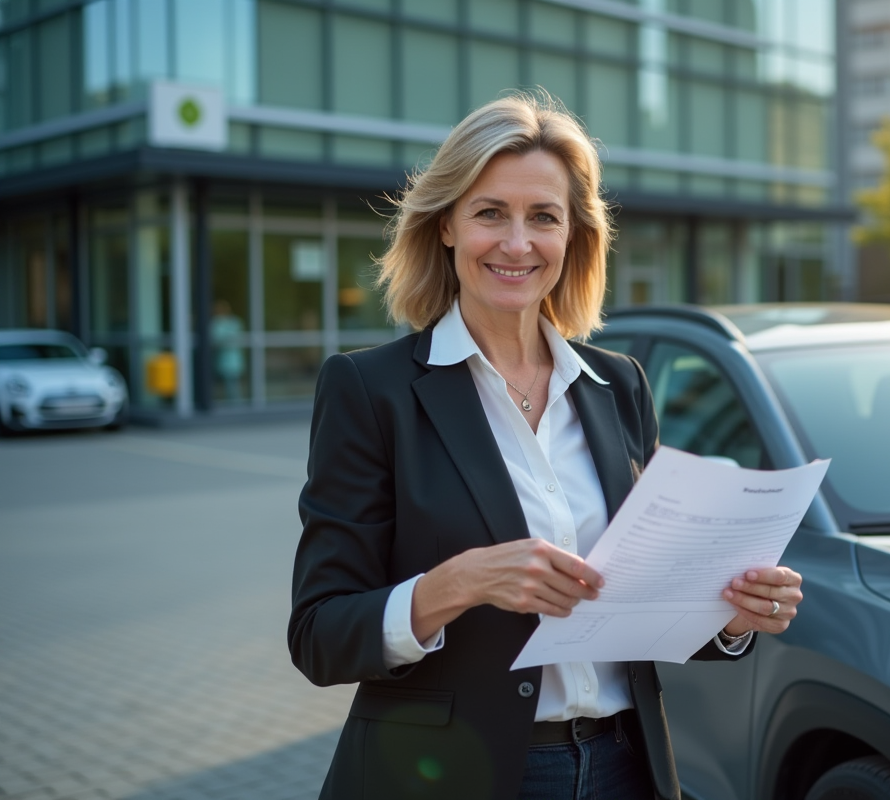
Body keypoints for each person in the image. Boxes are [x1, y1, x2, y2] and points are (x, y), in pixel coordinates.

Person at [287, 92, 804, 800]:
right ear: (445, 226)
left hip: (628, 767)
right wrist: (457, 585)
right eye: (490, 212)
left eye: (544, 218)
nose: (518, 243)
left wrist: (732, 618)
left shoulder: (618, 385)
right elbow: (319, 634)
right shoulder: (369, 390)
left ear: (574, 237)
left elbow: (643, 597)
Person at [209, 299, 245, 402]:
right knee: (222, 385)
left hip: (231, 359)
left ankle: (234, 404)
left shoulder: (233, 322)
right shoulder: (216, 322)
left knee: (232, 384)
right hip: (219, 359)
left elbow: (227, 338)